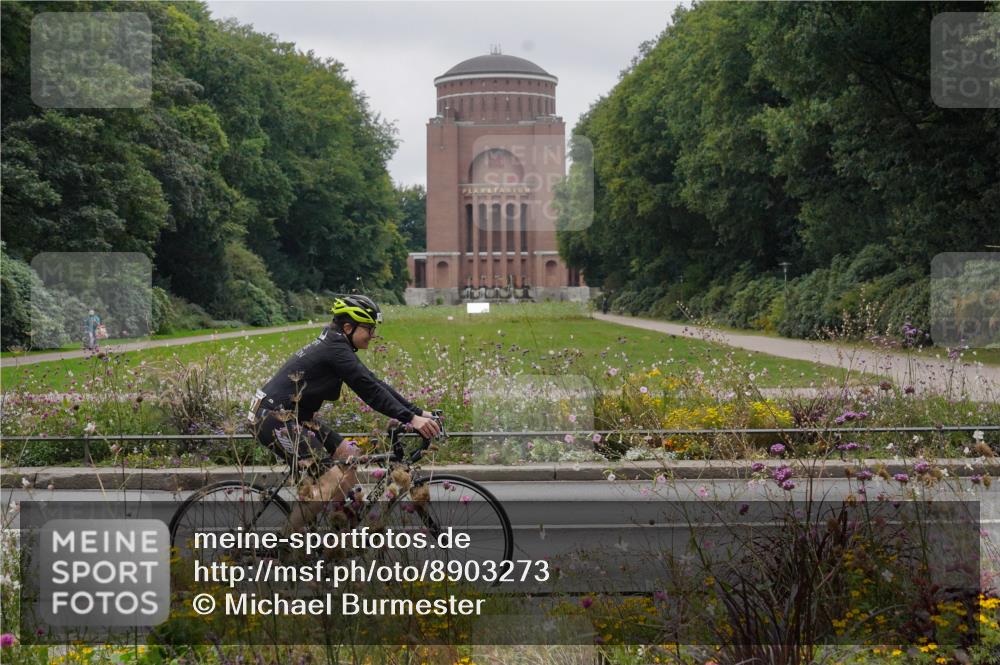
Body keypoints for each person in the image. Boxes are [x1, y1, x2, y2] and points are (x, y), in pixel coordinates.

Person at [248, 295, 441, 533]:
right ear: (348, 327)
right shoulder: (335, 348)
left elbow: (373, 382)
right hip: (273, 418)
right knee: (331, 480)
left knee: (349, 456)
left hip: (296, 417)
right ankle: (285, 543)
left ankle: (336, 532)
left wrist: (419, 412)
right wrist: (411, 419)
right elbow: (369, 391)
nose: (373, 335)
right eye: (369, 329)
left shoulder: (336, 344)